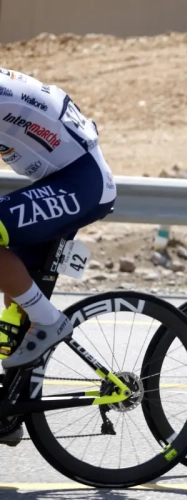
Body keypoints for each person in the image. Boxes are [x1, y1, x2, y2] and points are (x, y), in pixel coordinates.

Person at [0, 68, 116, 445]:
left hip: (81, 184)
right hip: (60, 181)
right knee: (13, 313)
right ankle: (9, 409)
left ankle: (49, 321)